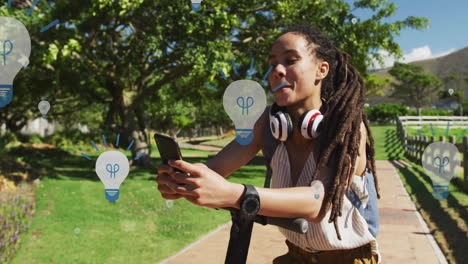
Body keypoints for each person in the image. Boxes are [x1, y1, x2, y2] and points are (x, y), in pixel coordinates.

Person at [157, 24, 380, 264]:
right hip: (296, 255)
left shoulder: (346, 127)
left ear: (321, 69)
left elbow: (319, 201)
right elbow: (217, 166)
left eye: (290, 60)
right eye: (273, 64)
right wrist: (183, 180)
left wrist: (236, 194)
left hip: (348, 259)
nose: (277, 71)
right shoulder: (268, 122)